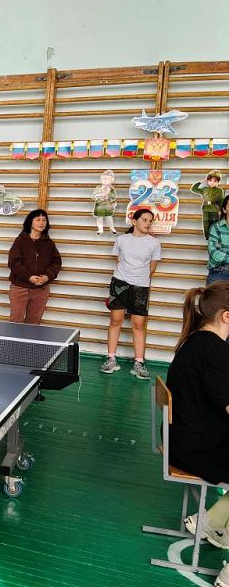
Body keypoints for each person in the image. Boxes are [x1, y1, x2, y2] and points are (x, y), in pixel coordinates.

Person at [166, 283, 229, 582]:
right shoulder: (214, 351)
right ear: (226, 316)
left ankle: (213, 522)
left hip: (186, 438)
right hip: (196, 447)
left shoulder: (198, 341)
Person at [100, 208, 161, 380]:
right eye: (144, 220)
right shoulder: (121, 240)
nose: (148, 223)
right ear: (134, 221)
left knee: (138, 324)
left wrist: (139, 278)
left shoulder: (154, 243)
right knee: (115, 320)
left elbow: (152, 268)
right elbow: (119, 260)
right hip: (119, 283)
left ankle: (139, 363)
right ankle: (111, 359)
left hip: (141, 286)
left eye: (150, 221)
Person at [7, 209, 61, 325]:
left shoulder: (49, 244)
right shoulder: (20, 241)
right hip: (19, 288)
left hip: (41, 290)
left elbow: (56, 263)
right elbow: (13, 263)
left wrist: (46, 277)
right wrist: (29, 277)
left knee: (34, 323)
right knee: (15, 322)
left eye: (44, 220)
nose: (41, 223)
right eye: (38, 219)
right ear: (30, 222)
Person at [191, 170, 224, 240]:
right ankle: (207, 237)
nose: (212, 183)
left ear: (218, 182)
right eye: (210, 180)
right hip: (205, 209)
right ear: (207, 181)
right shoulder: (204, 190)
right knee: (206, 223)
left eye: (215, 181)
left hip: (215, 209)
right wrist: (202, 181)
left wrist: (220, 211)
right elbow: (193, 189)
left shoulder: (219, 191)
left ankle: (215, 237)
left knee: (214, 223)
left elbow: (221, 201)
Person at [207, 195, 229, 285]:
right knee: (213, 294)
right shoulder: (215, 228)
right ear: (224, 210)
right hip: (219, 272)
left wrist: (223, 251)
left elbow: (219, 252)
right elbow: (214, 254)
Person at [92, 170, 118, 235]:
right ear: (101, 179)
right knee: (99, 217)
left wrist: (108, 195)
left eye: (108, 179)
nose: (106, 181)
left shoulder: (112, 189)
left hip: (108, 205)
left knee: (109, 217)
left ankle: (112, 227)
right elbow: (93, 196)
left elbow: (114, 196)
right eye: (104, 179)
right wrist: (99, 195)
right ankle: (100, 229)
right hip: (99, 205)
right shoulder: (98, 188)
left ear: (111, 181)